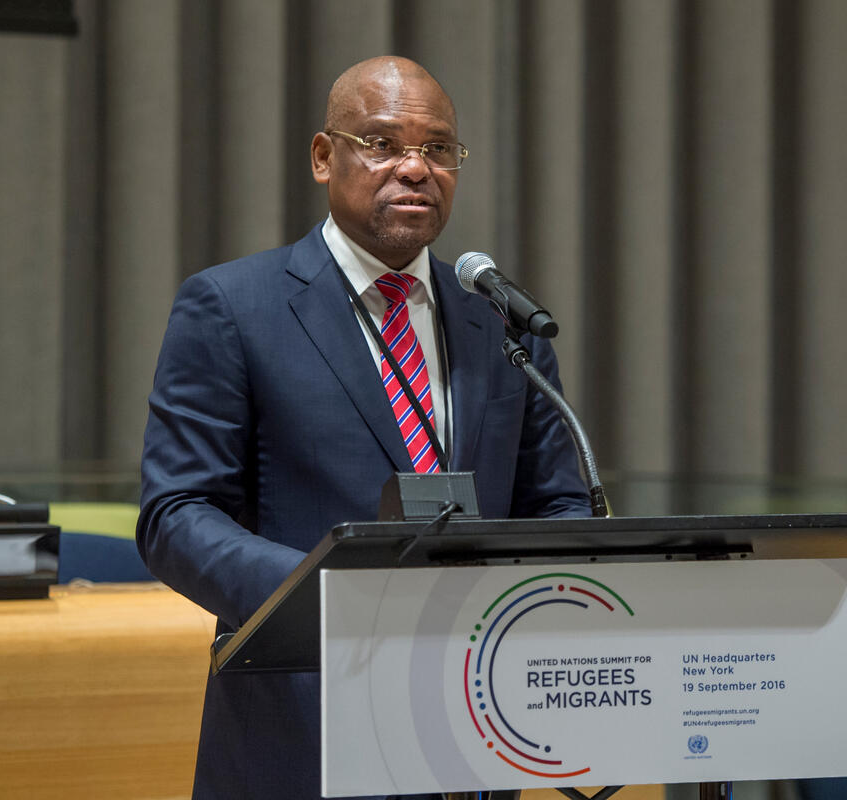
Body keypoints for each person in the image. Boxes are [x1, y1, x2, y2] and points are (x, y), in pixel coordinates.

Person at [137, 56, 591, 799]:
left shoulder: (502, 322)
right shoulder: (232, 307)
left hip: (473, 729)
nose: (415, 168)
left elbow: (559, 502)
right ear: (324, 157)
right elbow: (176, 515)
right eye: (382, 144)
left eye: (438, 149)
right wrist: (324, 595)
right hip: (305, 727)